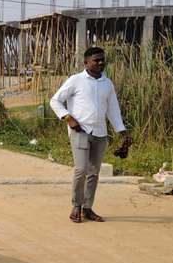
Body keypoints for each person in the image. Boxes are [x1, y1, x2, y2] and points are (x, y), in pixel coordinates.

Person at [49, 46, 132, 223]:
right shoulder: (76, 80)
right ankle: (76, 206)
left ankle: (87, 208)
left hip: (100, 133)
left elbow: (113, 110)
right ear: (86, 63)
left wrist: (122, 131)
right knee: (81, 170)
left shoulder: (107, 84)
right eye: (96, 60)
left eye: (103, 59)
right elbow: (55, 100)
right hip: (80, 131)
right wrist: (68, 118)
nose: (101, 63)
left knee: (94, 172)